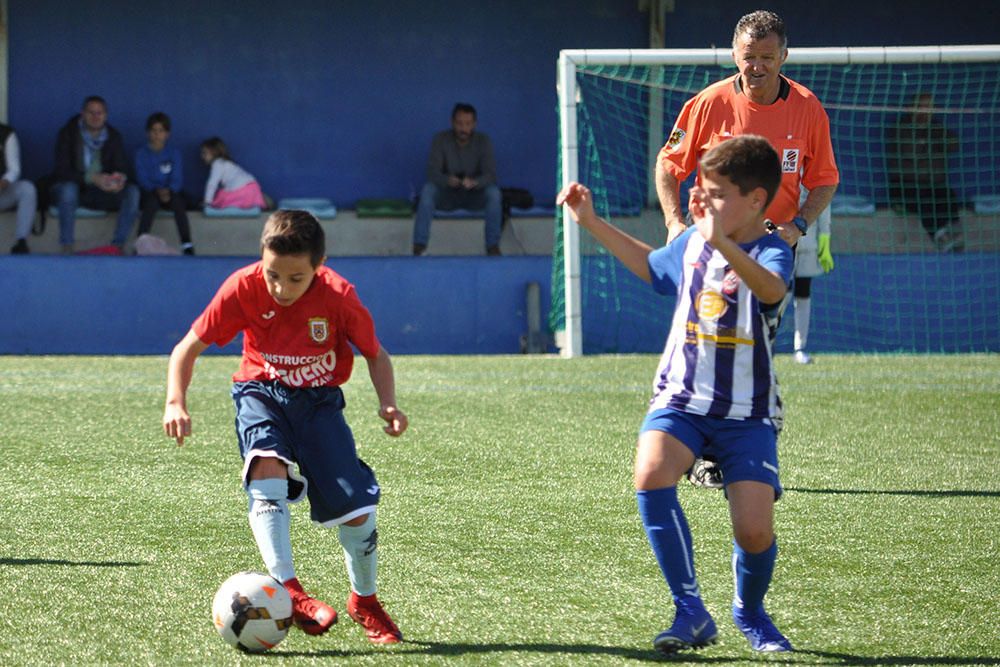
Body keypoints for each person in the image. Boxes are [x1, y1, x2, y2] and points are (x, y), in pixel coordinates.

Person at [558, 135, 795, 655]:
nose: (705, 202)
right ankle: (689, 610)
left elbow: (773, 291)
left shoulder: (773, 249)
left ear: (756, 200)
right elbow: (653, 268)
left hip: (746, 412)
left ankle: (750, 612)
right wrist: (591, 223)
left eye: (718, 194)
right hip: (681, 397)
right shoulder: (692, 243)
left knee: (754, 532)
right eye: (702, 192)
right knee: (650, 472)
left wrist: (720, 242)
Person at [162, 209, 406, 644]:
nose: (281, 288)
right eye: (273, 275)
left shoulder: (339, 296)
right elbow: (187, 348)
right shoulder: (244, 287)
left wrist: (388, 404)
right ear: (262, 258)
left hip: (318, 404)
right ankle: (289, 590)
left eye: (296, 279)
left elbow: (376, 353)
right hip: (261, 392)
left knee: (358, 513)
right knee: (265, 468)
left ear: (319, 265)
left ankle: (364, 601)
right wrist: (175, 401)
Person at [655, 10, 839, 248]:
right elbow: (668, 164)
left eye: (767, 57)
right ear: (734, 56)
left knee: (769, 288)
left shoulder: (808, 108)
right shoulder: (706, 103)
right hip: (710, 236)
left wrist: (799, 225)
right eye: (749, 56)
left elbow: (826, 179)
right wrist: (674, 222)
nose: (757, 66)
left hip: (773, 240)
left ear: (783, 56)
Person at [51, 95, 140, 254]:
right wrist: (91, 178)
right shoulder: (68, 133)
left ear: (106, 115)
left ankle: (117, 247)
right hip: (74, 190)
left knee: (132, 192)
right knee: (68, 189)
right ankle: (67, 247)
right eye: (91, 112)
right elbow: (61, 171)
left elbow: (122, 168)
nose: (95, 117)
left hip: (101, 192)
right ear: (82, 114)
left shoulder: (113, 136)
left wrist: (117, 180)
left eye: (100, 113)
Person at [413, 103, 502, 256]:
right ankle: (419, 246)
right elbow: (432, 173)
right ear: (452, 122)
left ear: (474, 124)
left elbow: (491, 175)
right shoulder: (440, 139)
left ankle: (492, 246)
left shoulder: (483, 141)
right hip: (447, 194)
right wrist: (448, 180)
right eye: (460, 123)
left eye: (468, 124)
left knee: (494, 193)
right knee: (428, 190)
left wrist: (475, 182)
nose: (463, 129)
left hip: (474, 195)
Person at [885, 92, 962, 252]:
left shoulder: (936, 128)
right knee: (924, 199)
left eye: (930, 107)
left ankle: (954, 233)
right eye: (922, 106)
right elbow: (912, 152)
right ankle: (940, 237)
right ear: (912, 108)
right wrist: (927, 137)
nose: (926, 110)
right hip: (905, 187)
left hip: (933, 185)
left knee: (948, 196)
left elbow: (953, 145)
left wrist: (932, 133)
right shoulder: (901, 128)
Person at [134, 112, 195, 255]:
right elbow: (142, 177)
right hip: (151, 192)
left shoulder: (173, 153)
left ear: (167, 134)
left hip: (170, 193)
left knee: (179, 203)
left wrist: (170, 190)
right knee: (150, 204)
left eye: (161, 131)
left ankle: (187, 244)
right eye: (153, 131)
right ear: (148, 133)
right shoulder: (141, 154)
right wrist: (155, 190)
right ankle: (140, 242)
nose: (157, 135)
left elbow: (177, 177)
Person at [792, 190, 834, 364]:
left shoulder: (814, 176)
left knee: (803, 293)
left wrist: (825, 240)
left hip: (809, 246)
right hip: (783, 242)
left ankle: (800, 348)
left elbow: (824, 206)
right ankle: (768, 343)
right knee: (780, 295)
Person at [0, 121, 38, 254]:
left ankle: (21, 241)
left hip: (1, 192)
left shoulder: (5, 134)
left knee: (27, 188)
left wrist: (3, 183)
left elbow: (14, 170)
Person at [199, 136, 267, 210]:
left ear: (214, 152)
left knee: (220, 196)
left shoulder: (217, 164)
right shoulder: (228, 163)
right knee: (225, 190)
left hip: (241, 191)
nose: (202, 156)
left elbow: (212, 183)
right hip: (253, 187)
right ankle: (261, 200)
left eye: (204, 153)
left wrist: (207, 201)